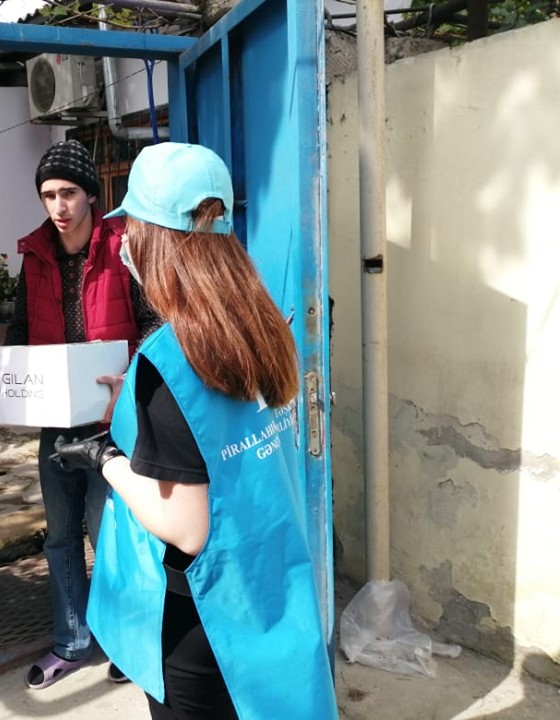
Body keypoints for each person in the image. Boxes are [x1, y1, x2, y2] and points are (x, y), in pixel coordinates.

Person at [52, 142, 338, 719]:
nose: (125, 243)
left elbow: (186, 527)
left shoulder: (171, 361)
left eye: (131, 228)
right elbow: (214, 427)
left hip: (199, 616)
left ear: (154, 240)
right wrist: (138, 401)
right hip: (267, 578)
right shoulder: (261, 324)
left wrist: (106, 459)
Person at [4, 139, 160, 690]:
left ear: (91, 195)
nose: (59, 206)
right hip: (57, 422)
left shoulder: (122, 247)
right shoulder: (34, 256)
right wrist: (10, 386)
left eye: (68, 192)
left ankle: (127, 642)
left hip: (112, 422)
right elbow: (18, 334)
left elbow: (155, 322)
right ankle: (72, 642)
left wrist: (129, 378)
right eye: (48, 195)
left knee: (112, 534)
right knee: (61, 536)